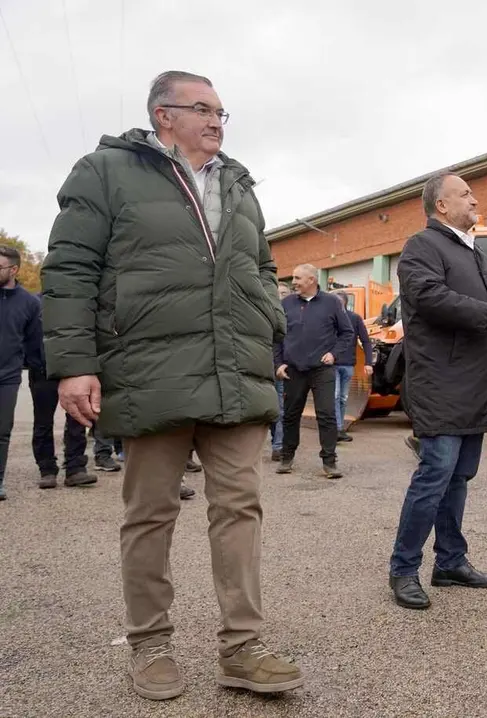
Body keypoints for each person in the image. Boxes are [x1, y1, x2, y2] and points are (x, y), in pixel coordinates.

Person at [40, 70, 303, 700]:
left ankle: (242, 647)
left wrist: (266, 316)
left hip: (233, 371)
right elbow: (70, 269)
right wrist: (76, 362)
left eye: (222, 112)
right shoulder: (105, 171)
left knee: (239, 507)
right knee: (151, 514)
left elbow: (262, 266)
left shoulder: (239, 184)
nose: (217, 120)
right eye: (204, 109)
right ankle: (150, 643)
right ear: (164, 115)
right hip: (147, 371)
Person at [387, 172, 487, 610]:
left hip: (473, 383)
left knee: (459, 477)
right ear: (441, 206)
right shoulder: (422, 247)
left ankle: (450, 562)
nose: (474, 199)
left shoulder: (472, 250)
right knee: (435, 474)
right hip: (442, 382)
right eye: (465, 194)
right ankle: (404, 569)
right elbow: (429, 298)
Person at [274, 264, 352, 478]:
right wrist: (278, 363)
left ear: (311, 280)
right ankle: (286, 457)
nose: (294, 282)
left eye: (298, 278)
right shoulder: (286, 303)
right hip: (293, 370)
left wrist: (334, 354)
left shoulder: (331, 303)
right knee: (290, 415)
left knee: (326, 415)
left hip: (322, 369)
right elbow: (277, 337)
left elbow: (347, 333)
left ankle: (329, 462)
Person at [27, 293, 98, 489]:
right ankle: (47, 469)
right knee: (43, 422)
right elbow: (26, 335)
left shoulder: (76, 303)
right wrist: (33, 361)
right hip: (42, 371)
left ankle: (75, 468)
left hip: (73, 370)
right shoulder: (34, 303)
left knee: (77, 420)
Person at [0, 245, 41, 501]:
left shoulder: (29, 303)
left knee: (2, 431)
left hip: (7, 376)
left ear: (13, 269)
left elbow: (33, 341)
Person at [331, 291, 374, 442]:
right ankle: (336, 429)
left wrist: (368, 362)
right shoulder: (328, 319)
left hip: (348, 364)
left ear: (344, 303)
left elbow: (366, 341)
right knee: (335, 395)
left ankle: (339, 427)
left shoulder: (355, 319)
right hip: (332, 364)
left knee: (342, 397)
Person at [270, 282, 292, 460]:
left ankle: (278, 445)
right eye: (278, 293)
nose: (281, 296)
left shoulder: (291, 315)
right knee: (270, 409)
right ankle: (275, 440)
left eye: (284, 292)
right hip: (262, 368)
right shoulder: (266, 312)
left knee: (281, 408)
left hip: (281, 368)